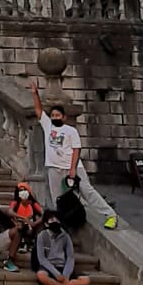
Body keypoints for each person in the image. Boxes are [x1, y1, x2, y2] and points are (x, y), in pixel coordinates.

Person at [30, 82, 117, 228]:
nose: (55, 117)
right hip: (54, 168)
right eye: (53, 115)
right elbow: (38, 111)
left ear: (64, 117)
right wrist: (35, 94)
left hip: (73, 167)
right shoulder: (48, 126)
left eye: (58, 115)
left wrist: (72, 169)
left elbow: (76, 149)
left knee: (87, 191)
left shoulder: (71, 131)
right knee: (57, 198)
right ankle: (62, 222)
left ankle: (110, 215)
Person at [35, 209, 91, 285]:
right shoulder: (41, 236)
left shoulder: (65, 236)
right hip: (49, 267)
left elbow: (70, 257)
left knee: (86, 280)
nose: (55, 221)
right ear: (46, 223)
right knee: (41, 275)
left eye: (57, 219)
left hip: (63, 266)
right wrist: (56, 274)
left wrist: (66, 275)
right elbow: (42, 259)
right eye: (52, 219)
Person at [9, 182, 44, 253]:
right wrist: (22, 217)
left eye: (24, 190)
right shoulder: (15, 202)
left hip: (30, 223)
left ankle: (31, 244)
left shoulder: (33, 203)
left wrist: (35, 223)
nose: (23, 192)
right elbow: (10, 212)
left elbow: (43, 213)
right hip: (18, 222)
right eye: (20, 190)